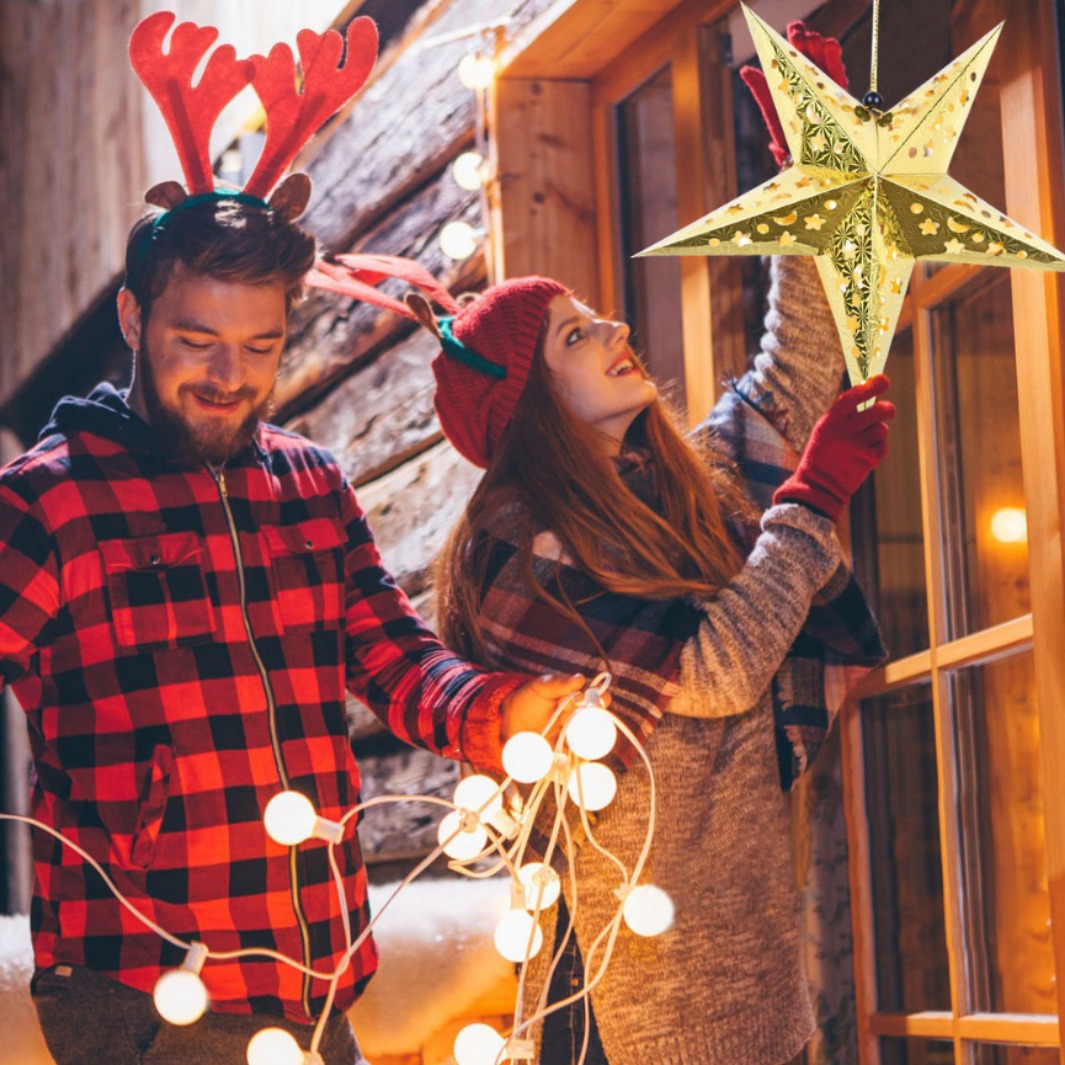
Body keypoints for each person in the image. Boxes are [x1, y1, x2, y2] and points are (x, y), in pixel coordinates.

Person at [0, 12, 583, 1065]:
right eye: (197, 341)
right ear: (133, 322)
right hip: (143, 995)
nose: (230, 375)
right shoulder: (50, 505)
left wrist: (505, 716)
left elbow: (391, 657)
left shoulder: (308, 486)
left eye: (260, 345)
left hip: (315, 975)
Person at [425, 23, 894, 1061]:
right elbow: (721, 671)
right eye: (576, 336)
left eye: (601, 318)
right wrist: (810, 499)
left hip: (754, 974)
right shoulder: (522, 555)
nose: (616, 333)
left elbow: (799, 366)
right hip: (629, 1006)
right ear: (529, 403)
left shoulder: (688, 488)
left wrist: (814, 172)